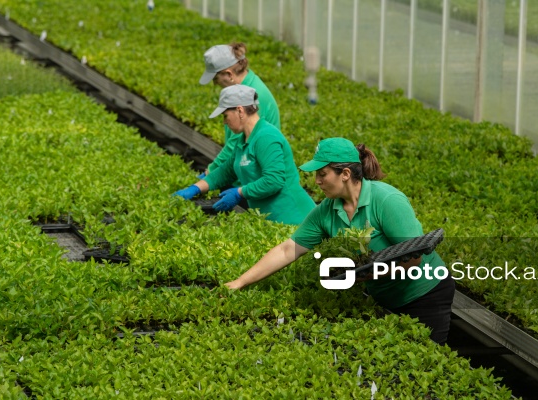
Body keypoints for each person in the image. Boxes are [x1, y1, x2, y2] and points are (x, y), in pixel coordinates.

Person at [224, 138, 456, 344]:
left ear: (345, 174)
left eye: (322, 174)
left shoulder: (386, 200)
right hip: (382, 295)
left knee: (424, 362)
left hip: (426, 293)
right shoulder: (327, 210)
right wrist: (240, 282)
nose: (316, 181)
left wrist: (360, 274)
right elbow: (287, 250)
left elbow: (413, 258)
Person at [173, 85, 315, 225]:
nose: (224, 122)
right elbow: (225, 172)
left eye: (225, 116)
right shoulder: (243, 140)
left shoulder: (266, 137)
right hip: (270, 220)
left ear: (240, 111)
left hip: (293, 218)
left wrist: (239, 192)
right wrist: (195, 188)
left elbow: (274, 180)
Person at [198, 42, 280, 179]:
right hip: (245, 170)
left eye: (216, 80)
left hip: (255, 177)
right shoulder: (244, 88)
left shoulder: (252, 95)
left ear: (229, 75)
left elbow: (234, 146)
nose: (216, 85)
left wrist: (209, 174)